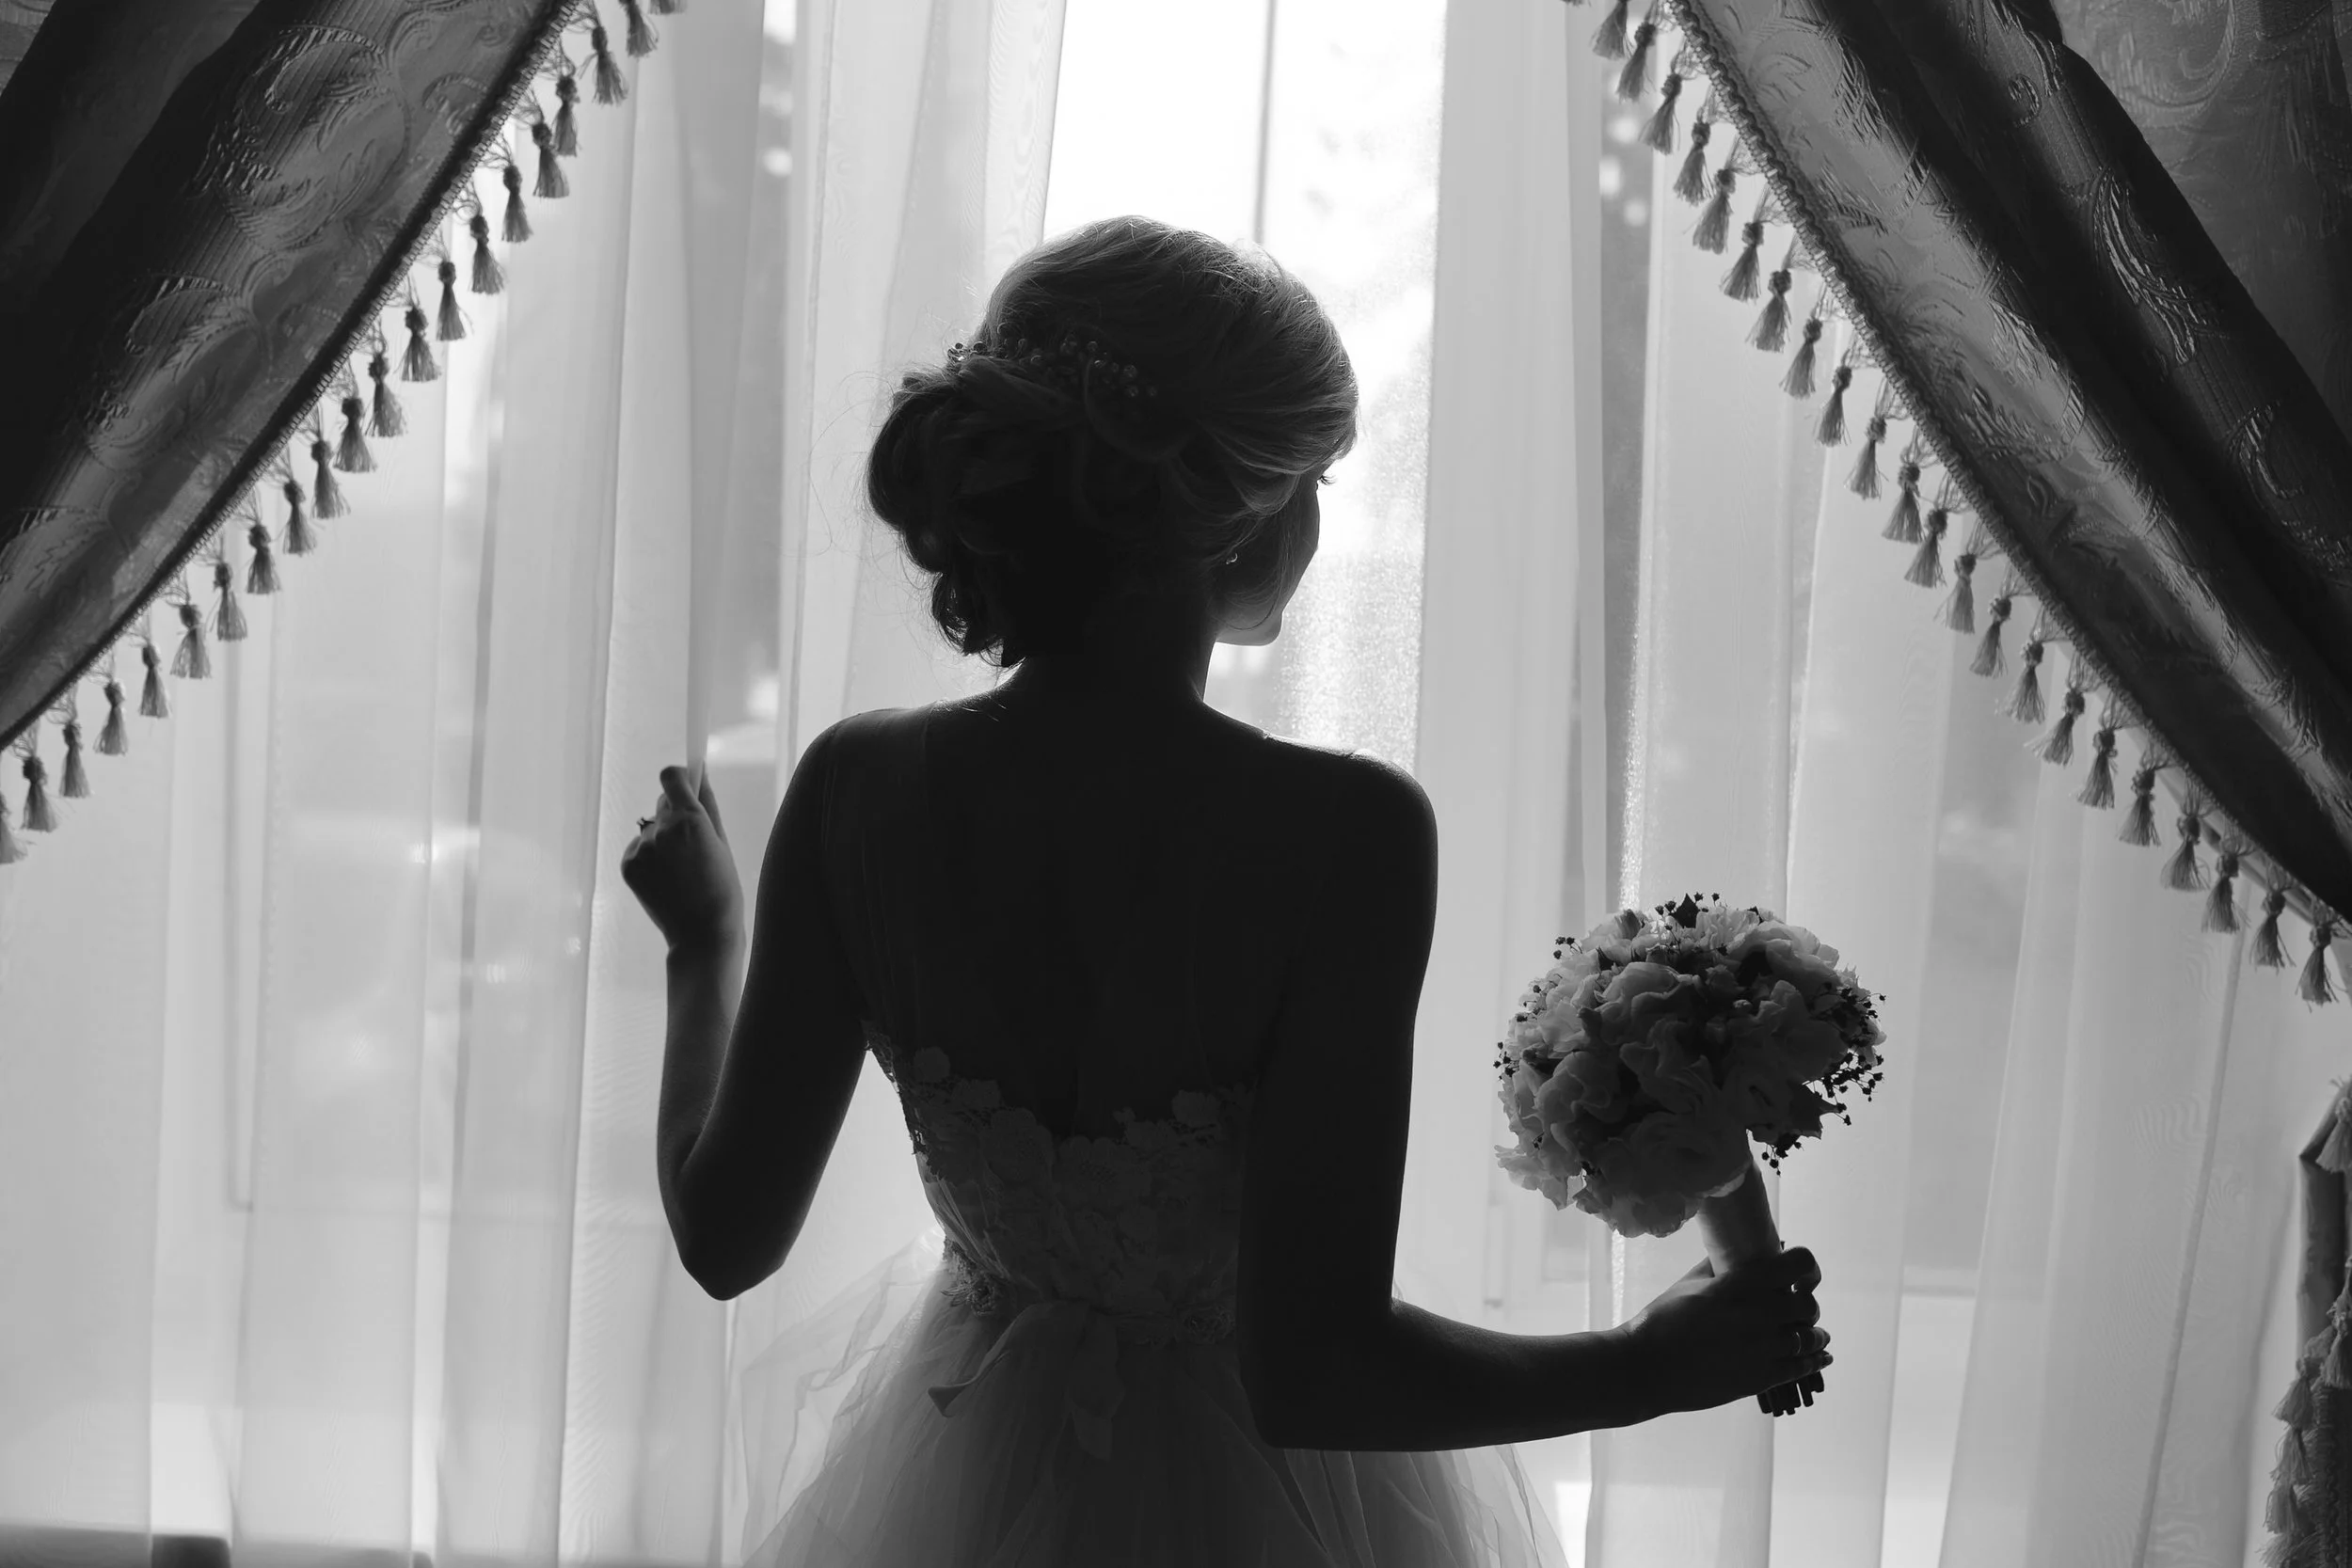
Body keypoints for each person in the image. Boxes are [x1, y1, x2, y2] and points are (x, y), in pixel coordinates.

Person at [621, 215, 1830, 1566]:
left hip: (951, 1482)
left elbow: (723, 1238)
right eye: (1318, 475)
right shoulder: (1344, 833)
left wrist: (701, 943)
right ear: (1241, 503)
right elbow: (1313, 1372)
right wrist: (1644, 1363)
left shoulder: (856, 787)